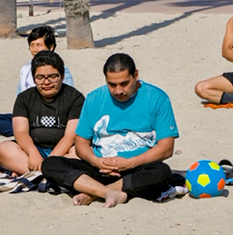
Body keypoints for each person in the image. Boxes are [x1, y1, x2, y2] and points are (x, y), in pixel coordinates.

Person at [41, 53, 178, 208]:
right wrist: (96, 161)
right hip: (99, 169)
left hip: (136, 168)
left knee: (162, 172)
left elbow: (166, 149)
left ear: (136, 75)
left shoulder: (157, 98)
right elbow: (81, 142)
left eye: (124, 83)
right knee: (50, 164)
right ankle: (107, 192)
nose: (118, 91)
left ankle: (94, 193)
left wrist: (128, 163)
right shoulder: (94, 98)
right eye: (112, 85)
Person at [0, 51, 84, 176]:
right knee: (3, 149)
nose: (46, 82)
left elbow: (70, 136)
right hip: (33, 151)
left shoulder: (75, 98)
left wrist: (52, 160)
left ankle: (37, 174)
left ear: (62, 76)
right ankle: (53, 175)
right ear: (34, 78)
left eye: (52, 76)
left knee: (80, 152)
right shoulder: (24, 98)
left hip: (64, 152)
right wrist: (33, 153)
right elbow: (21, 132)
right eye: (40, 77)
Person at [0, 25, 74, 137]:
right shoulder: (26, 69)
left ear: (51, 47)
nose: (34, 49)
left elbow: (68, 97)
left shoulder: (61, 70)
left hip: (52, 116)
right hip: (29, 115)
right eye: (32, 45)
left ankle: (30, 133)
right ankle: (29, 132)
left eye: (39, 45)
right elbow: (20, 96)